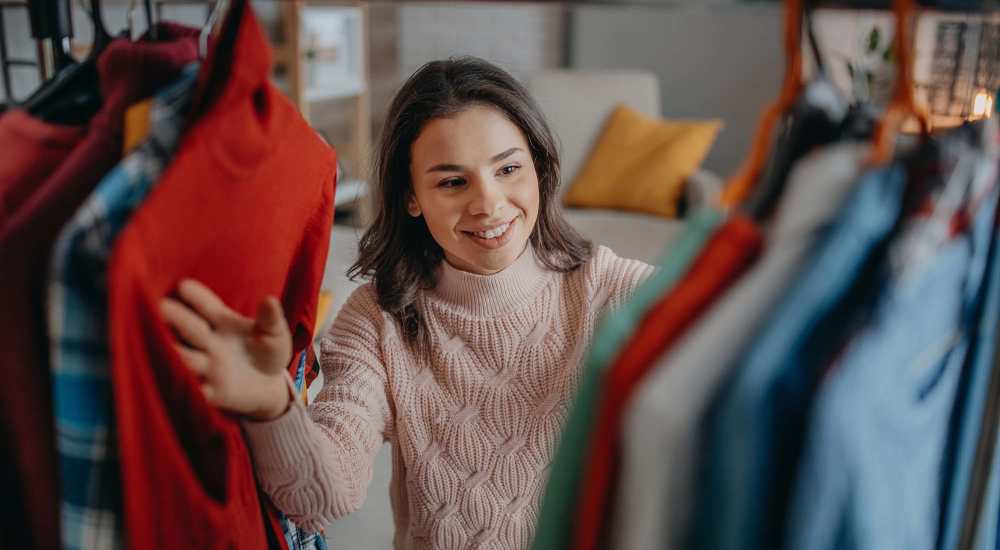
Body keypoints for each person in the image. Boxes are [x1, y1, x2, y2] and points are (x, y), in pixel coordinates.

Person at [160, 56, 653, 549]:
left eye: (508, 168)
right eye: (452, 182)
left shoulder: (610, 290)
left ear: (540, 169)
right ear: (411, 197)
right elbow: (323, 499)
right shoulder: (376, 319)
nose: (489, 203)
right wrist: (271, 406)